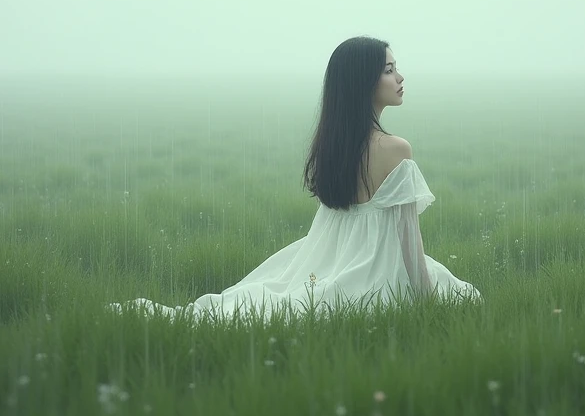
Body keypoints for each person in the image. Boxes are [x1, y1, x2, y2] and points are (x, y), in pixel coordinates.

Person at [106, 37, 481, 324]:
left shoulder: (335, 145)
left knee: (277, 299)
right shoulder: (396, 149)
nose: (400, 78)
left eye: (396, 68)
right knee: (463, 297)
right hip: (375, 266)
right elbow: (408, 242)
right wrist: (429, 306)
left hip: (330, 262)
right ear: (362, 82)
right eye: (388, 70)